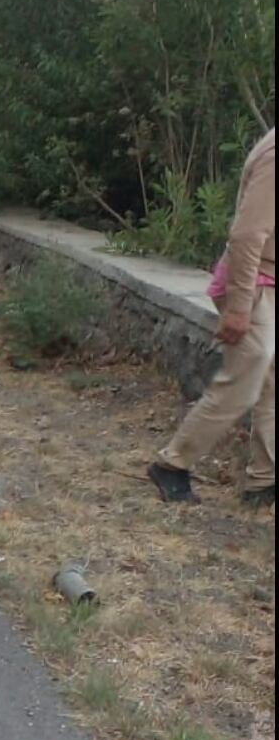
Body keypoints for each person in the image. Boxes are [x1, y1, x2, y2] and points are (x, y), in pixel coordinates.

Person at [150, 129, 276, 508]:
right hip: (252, 282)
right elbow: (247, 234)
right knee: (246, 378)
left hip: (267, 279)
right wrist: (239, 307)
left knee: (272, 383)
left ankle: (264, 480)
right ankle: (172, 464)